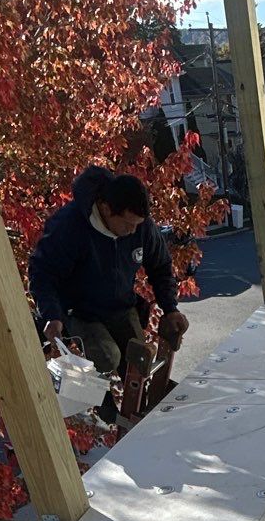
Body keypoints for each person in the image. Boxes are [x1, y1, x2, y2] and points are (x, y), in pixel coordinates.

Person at [29, 166, 189, 426]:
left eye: (136, 224)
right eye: (126, 223)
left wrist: (170, 308)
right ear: (104, 208)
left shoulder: (141, 228)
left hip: (121, 305)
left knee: (139, 359)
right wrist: (51, 315)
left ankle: (142, 416)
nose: (131, 230)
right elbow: (42, 273)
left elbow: (160, 266)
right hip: (80, 311)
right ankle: (106, 411)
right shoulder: (70, 226)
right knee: (107, 356)